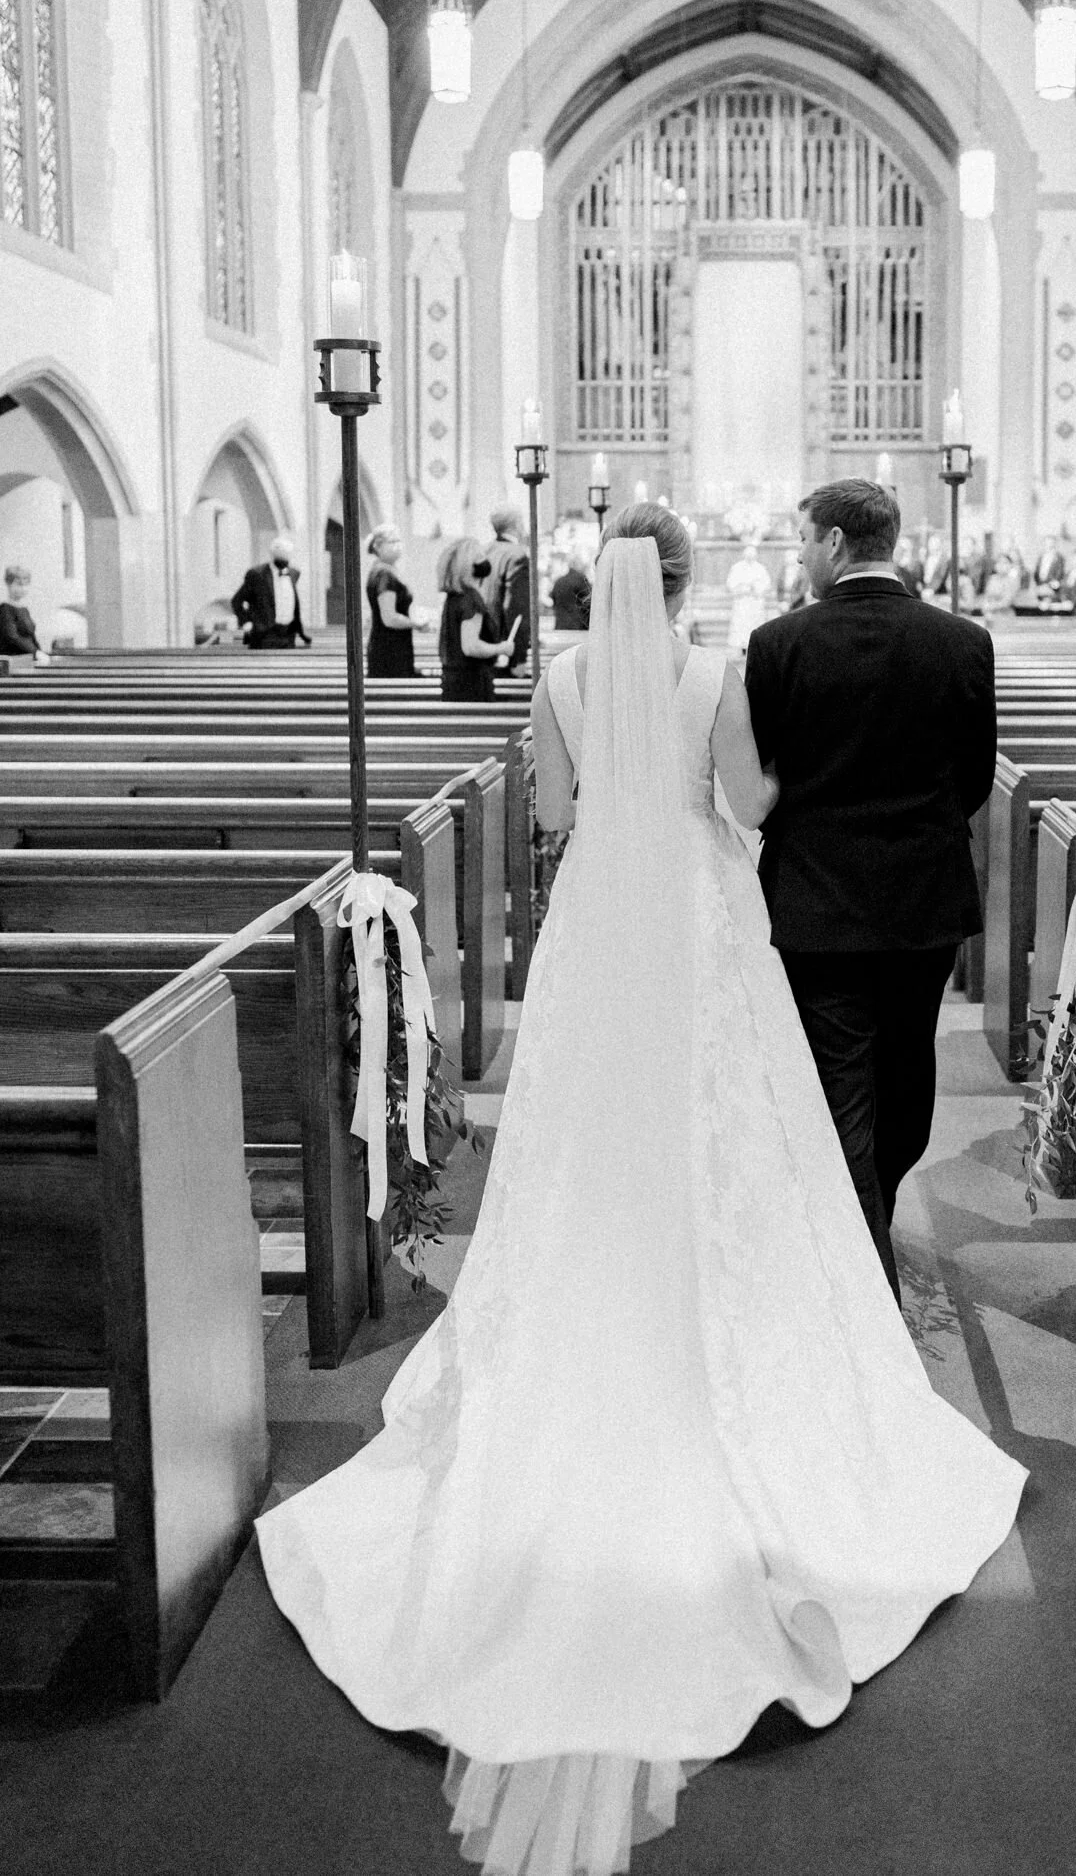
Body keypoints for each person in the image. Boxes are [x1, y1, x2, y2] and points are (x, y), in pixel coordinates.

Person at [256, 504, 1024, 1876]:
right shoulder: (712, 671)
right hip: (696, 917)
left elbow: (553, 813)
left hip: (602, 916)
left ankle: (590, 1292)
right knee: (729, 1125)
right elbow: (743, 804)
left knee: (575, 1133)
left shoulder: (556, 676)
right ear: (679, 583)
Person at [745, 481, 997, 1294]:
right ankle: (868, 1244)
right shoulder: (962, 641)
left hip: (816, 900)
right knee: (905, 1071)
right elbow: (975, 778)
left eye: (806, 540)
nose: (802, 555)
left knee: (841, 1085)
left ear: (840, 544)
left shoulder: (777, 643)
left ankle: (861, 1238)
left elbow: (767, 772)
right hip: (924, 900)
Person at [437, 536, 516, 700]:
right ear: (469, 564)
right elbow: (471, 646)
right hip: (472, 682)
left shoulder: (454, 597)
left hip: (452, 679)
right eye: (480, 556)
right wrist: (501, 648)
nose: (485, 561)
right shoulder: (471, 599)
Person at [365, 525, 429, 678]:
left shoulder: (387, 571)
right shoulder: (384, 574)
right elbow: (389, 618)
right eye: (392, 541)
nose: (397, 545)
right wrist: (416, 624)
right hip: (389, 648)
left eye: (398, 541)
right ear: (378, 546)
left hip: (395, 644)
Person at [230, 536, 311, 649]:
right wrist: (247, 623)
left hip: (288, 634)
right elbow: (236, 601)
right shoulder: (257, 574)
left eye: (286, 555)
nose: (284, 560)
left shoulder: (294, 573)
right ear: (272, 555)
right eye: (280, 555)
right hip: (263, 634)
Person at [486, 505, 531, 675]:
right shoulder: (517, 556)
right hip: (507, 648)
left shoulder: (484, 551)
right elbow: (516, 609)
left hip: (486, 643)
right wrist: (519, 658)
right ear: (516, 525)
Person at [726, 539, 772, 655]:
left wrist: (755, 588)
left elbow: (766, 584)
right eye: (748, 555)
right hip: (742, 602)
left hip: (755, 602)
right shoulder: (737, 568)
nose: (750, 557)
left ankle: (754, 647)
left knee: (754, 625)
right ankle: (742, 649)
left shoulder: (760, 569)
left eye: (752, 555)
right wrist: (742, 588)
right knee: (742, 626)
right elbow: (731, 584)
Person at [0, 565, 45, 661]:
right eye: (19, 584)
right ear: (9, 584)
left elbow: (31, 636)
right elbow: (12, 637)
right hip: (13, 659)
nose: (23, 588)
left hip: (28, 657)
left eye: (25, 584)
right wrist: (35, 652)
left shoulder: (24, 610)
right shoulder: (5, 610)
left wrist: (40, 652)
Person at [549, 550, 592, 632]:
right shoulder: (580, 579)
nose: (552, 568)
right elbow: (589, 602)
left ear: (562, 563)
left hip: (563, 628)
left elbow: (554, 602)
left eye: (554, 564)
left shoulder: (559, 582)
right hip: (578, 628)